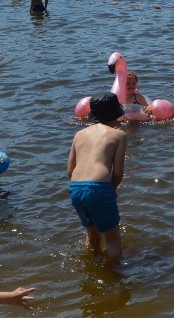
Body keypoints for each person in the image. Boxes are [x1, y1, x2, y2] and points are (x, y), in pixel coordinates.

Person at [67, 93, 128, 266]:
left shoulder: (79, 134)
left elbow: (70, 170)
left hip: (76, 188)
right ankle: (112, 276)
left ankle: (90, 266)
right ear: (116, 114)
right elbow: (117, 172)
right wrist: (112, 189)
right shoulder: (119, 135)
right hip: (99, 187)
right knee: (113, 240)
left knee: (92, 236)